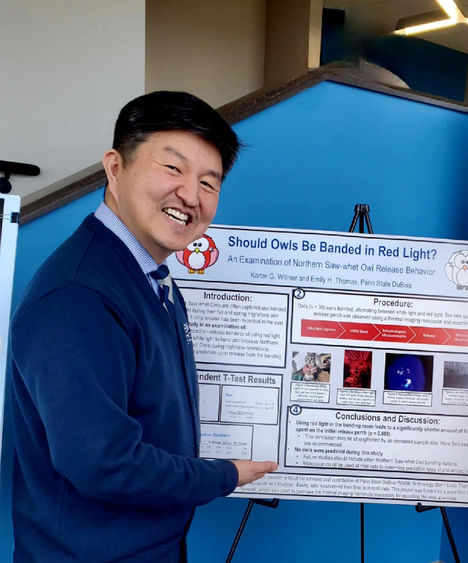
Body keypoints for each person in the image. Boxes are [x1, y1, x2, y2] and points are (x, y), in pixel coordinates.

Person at [9, 91, 278, 562]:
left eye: (209, 182)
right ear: (115, 167)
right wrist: (225, 474)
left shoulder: (148, 276)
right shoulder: (79, 297)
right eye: (172, 168)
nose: (191, 196)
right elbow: (103, 464)